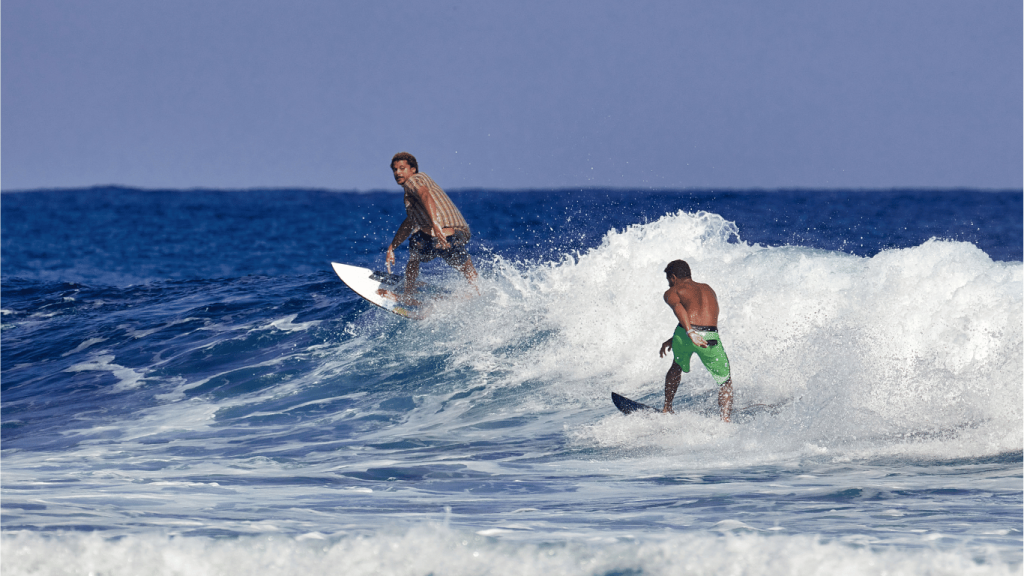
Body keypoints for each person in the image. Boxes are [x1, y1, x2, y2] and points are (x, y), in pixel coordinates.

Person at [383, 152, 477, 299]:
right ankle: (478, 292)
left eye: (402, 168)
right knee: (466, 267)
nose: (398, 173)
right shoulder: (423, 182)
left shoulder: (413, 181)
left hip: (440, 235)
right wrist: (392, 247)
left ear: (413, 169)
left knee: (415, 251)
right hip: (456, 236)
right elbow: (409, 222)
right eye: (395, 169)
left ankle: (408, 295)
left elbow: (425, 194)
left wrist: (435, 223)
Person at [657, 260, 733, 422]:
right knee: (725, 381)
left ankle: (667, 408)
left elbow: (680, 309)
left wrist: (689, 333)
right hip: (710, 337)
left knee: (676, 367)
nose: (669, 284)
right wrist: (681, 336)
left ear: (673, 277)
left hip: (685, 334)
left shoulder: (673, 291)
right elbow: (704, 318)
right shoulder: (708, 289)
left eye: (669, 280)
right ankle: (725, 419)